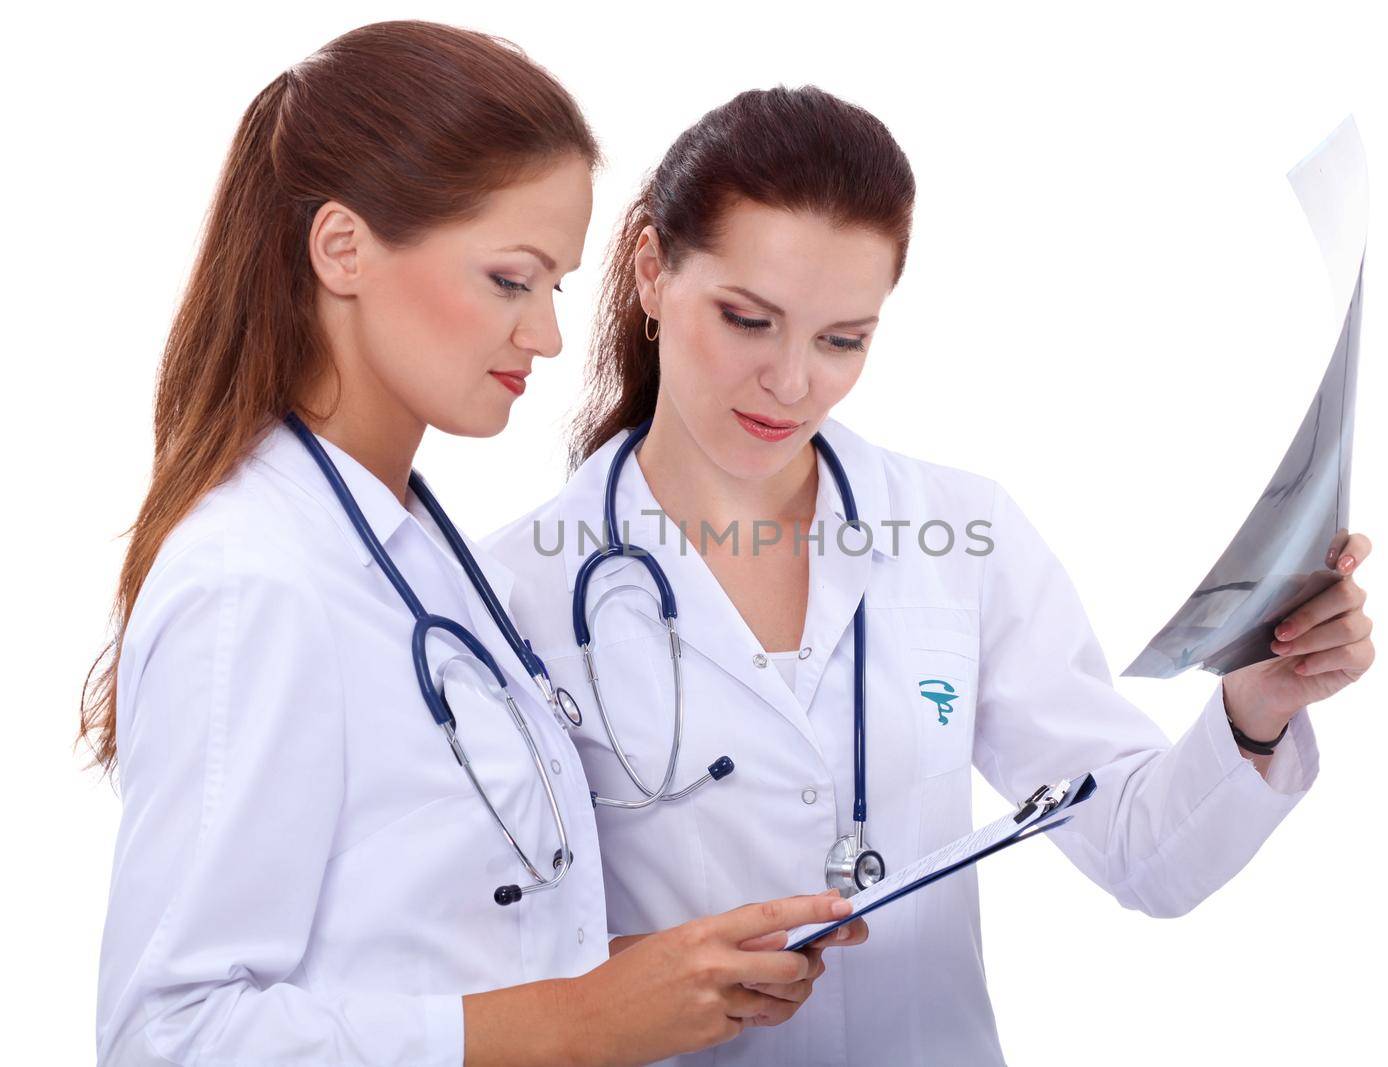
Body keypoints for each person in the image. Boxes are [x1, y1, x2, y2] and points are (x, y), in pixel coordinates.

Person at [482, 85, 1376, 1065]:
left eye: (841, 339)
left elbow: (1141, 854)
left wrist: (1257, 707)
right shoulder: (511, 592)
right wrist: (631, 970)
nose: (791, 382)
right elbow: (472, 948)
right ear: (652, 270)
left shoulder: (959, 531)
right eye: (748, 319)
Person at [86, 27, 862, 1067]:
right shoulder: (253, 579)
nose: (545, 334)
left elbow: (418, 927)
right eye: (509, 279)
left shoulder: (413, 547)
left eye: (554, 286)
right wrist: (575, 1022)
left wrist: (659, 976)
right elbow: (166, 1036)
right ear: (342, 249)